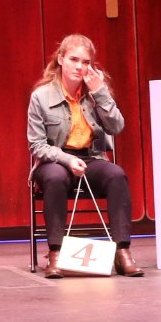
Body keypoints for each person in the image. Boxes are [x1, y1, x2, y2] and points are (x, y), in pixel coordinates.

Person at [27, 33, 143, 278]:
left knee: (116, 175)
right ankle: (56, 254)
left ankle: (123, 252)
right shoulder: (41, 97)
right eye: (73, 59)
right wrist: (67, 159)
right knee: (56, 178)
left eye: (86, 62)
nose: (80, 67)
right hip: (55, 160)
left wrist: (100, 92)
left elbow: (117, 127)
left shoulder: (95, 93)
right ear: (61, 59)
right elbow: (37, 145)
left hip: (90, 158)